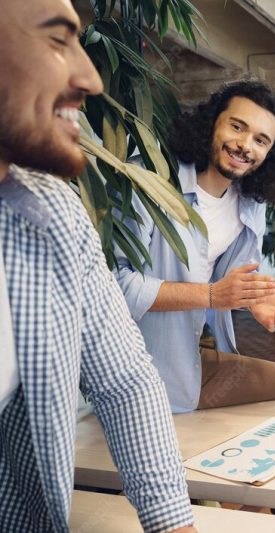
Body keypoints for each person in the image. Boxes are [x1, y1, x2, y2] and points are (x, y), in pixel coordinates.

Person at [0, 1, 195, 531]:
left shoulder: (53, 210)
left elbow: (125, 379)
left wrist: (173, 521)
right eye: (57, 40)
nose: (89, 76)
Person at [114, 81, 275, 413]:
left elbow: (228, 283)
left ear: (270, 154)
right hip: (136, 365)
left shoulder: (250, 204)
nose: (244, 145)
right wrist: (211, 295)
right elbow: (112, 286)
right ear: (213, 123)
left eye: (260, 140)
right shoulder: (149, 179)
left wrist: (255, 299)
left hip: (193, 353)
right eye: (237, 127)